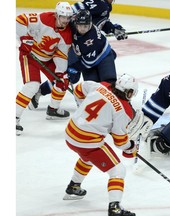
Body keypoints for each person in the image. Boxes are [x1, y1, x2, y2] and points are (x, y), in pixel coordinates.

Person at [63, 74, 138, 216]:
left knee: (88, 157)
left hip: (70, 133)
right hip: (87, 142)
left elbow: (78, 89)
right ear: (128, 92)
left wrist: (82, 109)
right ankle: (115, 208)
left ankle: (74, 186)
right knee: (118, 171)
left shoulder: (100, 85)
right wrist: (131, 147)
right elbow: (121, 142)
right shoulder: (124, 110)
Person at [29, 4, 125, 110]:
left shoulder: (91, 39)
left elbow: (89, 62)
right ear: (75, 22)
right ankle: (39, 92)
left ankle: (113, 108)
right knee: (69, 78)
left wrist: (74, 67)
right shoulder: (72, 21)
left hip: (100, 57)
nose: (82, 29)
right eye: (80, 26)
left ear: (90, 24)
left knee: (107, 83)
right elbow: (58, 18)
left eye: (85, 26)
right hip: (80, 53)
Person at [16, 2, 74, 135]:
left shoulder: (67, 34)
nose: (65, 21)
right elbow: (20, 19)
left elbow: (61, 54)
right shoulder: (43, 18)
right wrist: (25, 38)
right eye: (63, 17)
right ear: (56, 15)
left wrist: (60, 72)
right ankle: (14, 118)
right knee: (32, 86)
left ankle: (53, 109)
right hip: (30, 55)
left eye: (68, 18)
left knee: (63, 81)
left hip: (48, 59)